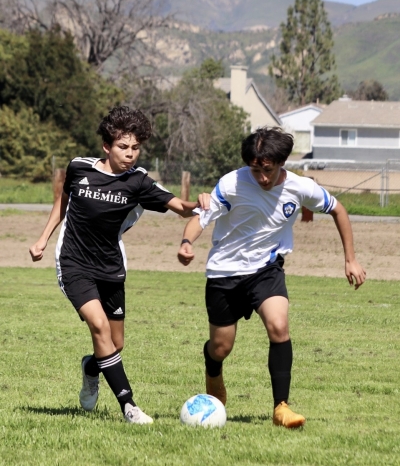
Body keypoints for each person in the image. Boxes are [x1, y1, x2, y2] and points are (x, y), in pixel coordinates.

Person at [29, 105, 210, 425]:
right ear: (106, 146)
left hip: (111, 266)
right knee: (98, 327)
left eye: (136, 148)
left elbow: (181, 208)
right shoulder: (79, 168)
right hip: (73, 262)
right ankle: (129, 407)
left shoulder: (138, 182)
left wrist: (200, 201)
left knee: (115, 344)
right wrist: (44, 238)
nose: (130, 154)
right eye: (123, 147)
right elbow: (63, 202)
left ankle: (90, 368)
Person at [177, 126, 366, 428]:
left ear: (281, 163)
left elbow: (338, 210)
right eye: (256, 170)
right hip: (224, 273)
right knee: (221, 347)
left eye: (268, 170)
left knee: (279, 326)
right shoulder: (232, 183)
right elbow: (201, 219)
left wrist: (351, 259)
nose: (262, 177)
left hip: (267, 269)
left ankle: (281, 408)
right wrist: (187, 243)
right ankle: (213, 373)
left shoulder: (300, 187)